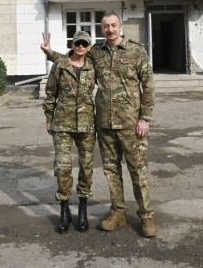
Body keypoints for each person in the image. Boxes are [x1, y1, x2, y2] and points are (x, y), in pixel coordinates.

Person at [42, 12, 156, 237]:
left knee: (138, 170)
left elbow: (148, 85)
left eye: (114, 25)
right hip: (104, 124)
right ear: (102, 30)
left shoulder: (137, 51)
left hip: (131, 123)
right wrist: (49, 53)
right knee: (111, 170)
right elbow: (75, 57)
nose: (110, 29)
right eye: (106, 26)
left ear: (120, 27)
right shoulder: (97, 53)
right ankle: (118, 212)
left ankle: (146, 216)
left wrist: (145, 118)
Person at [42, 30, 96, 233]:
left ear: (89, 46)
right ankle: (64, 209)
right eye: (78, 43)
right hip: (63, 124)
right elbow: (50, 93)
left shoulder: (94, 65)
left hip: (87, 125)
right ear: (73, 45)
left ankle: (82, 208)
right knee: (63, 167)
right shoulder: (61, 65)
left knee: (87, 167)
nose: (81, 46)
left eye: (84, 43)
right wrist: (49, 119)